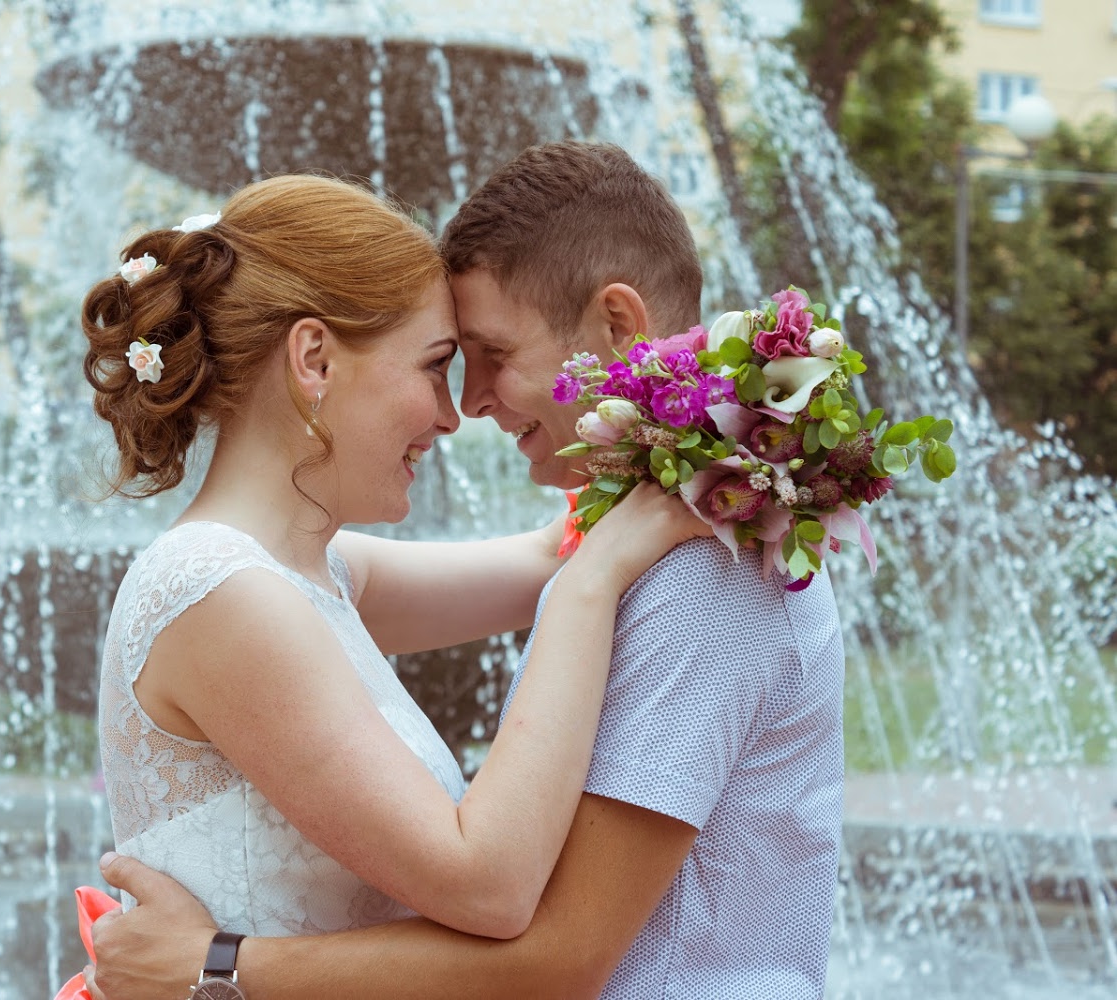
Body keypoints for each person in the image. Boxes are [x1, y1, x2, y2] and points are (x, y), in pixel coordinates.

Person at [84, 143, 847, 999]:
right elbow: (491, 886)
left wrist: (731, 433)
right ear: (314, 363)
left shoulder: (313, 570)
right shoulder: (223, 589)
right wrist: (598, 570)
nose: (460, 413)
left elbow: (536, 558)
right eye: (435, 366)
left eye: (481, 356)